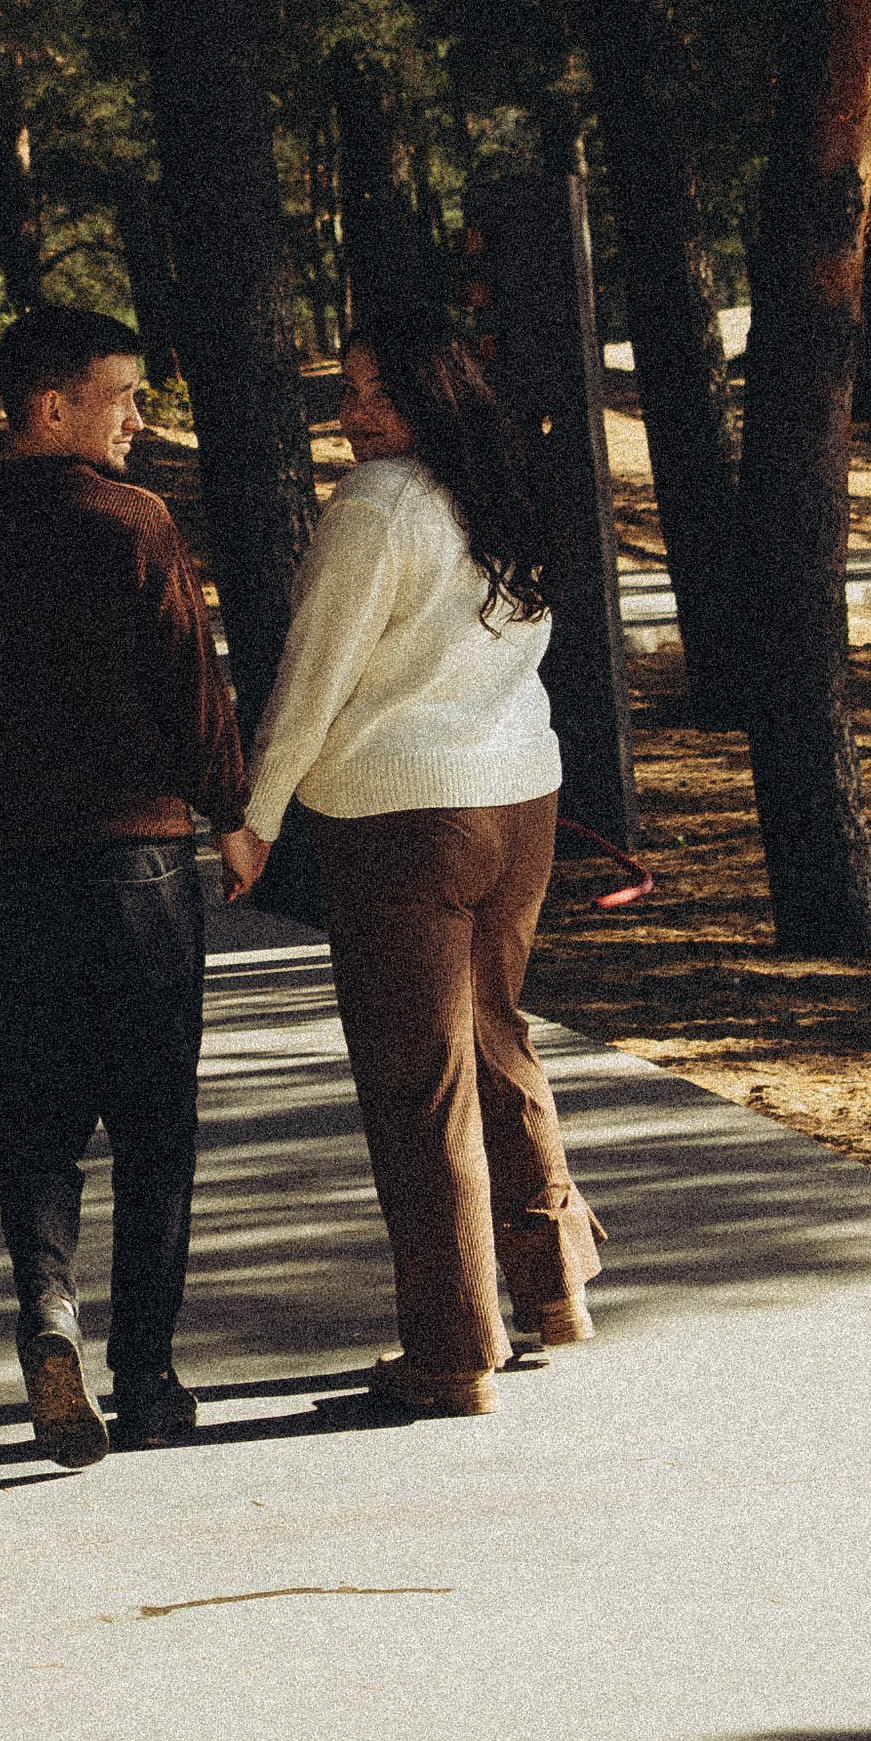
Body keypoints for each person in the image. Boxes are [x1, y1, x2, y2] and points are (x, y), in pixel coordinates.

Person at [220, 305, 600, 1420]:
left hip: (404, 821)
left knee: (417, 1085)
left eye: (376, 393)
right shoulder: (502, 491)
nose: (353, 416)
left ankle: (450, 1355)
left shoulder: (376, 509)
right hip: (518, 801)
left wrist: (256, 811)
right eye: (344, 392)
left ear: (434, 394)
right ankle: (554, 1289)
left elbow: (315, 672)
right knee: (494, 1038)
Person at [0, 304, 247, 1468]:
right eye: (123, 400)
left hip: (14, 882)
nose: (142, 423)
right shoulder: (132, 523)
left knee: (36, 1127)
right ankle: (145, 1379)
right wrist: (236, 812)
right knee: (156, 1131)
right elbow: (192, 694)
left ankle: (47, 1309)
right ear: (53, 407)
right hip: (138, 875)